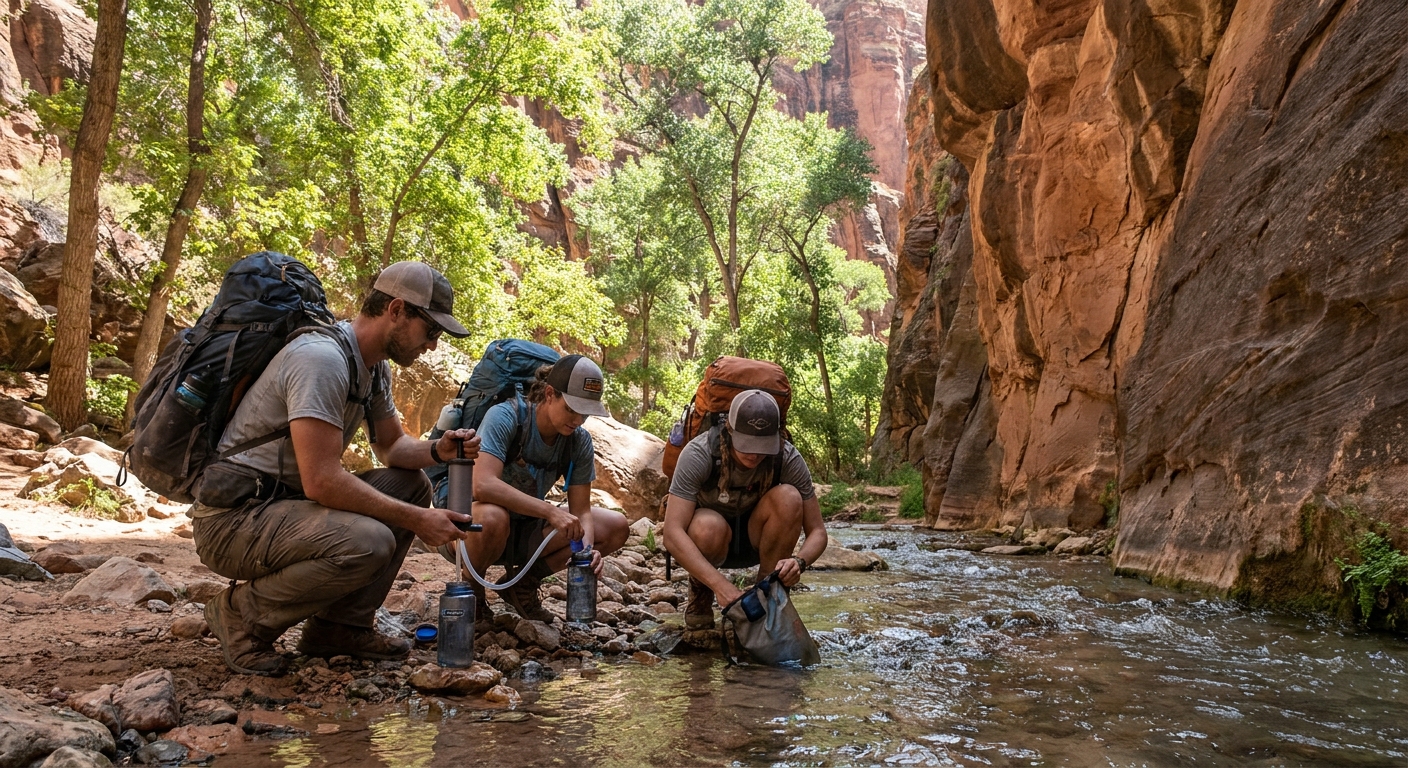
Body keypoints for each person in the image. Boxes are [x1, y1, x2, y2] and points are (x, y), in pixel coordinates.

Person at [190, 261, 481, 676]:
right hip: (232, 518)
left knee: (410, 484)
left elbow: (393, 448)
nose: (432, 345)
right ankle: (241, 618)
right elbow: (323, 482)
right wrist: (420, 521)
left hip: (280, 509)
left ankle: (339, 628)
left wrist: (441, 451)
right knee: (369, 541)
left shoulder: (372, 365)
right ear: (396, 310)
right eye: (431, 331)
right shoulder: (322, 360)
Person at [442, 354, 629, 622]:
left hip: (526, 531)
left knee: (615, 526)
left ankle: (523, 585)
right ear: (550, 394)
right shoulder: (505, 416)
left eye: (584, 413)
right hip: (470, 531)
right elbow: (482, 485)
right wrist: (550, 512)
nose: (577, 420)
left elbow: (582, 511)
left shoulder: (578, 441)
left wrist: (587, 552)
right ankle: (474, 590)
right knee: (493, 516)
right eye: (571, 409)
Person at [661, 389, 828, 630]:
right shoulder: (699, 453)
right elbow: (672, 533)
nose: (755, 453)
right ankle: (701, 593)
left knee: (789, 497)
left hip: (756, 540)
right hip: (710, 543)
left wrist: (799, 562)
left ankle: (768, 595)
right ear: (729, 431)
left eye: (763, 445)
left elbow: (818, 532)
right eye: (747, 444)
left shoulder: (787, 456)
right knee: (708, 526)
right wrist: (721, 586)